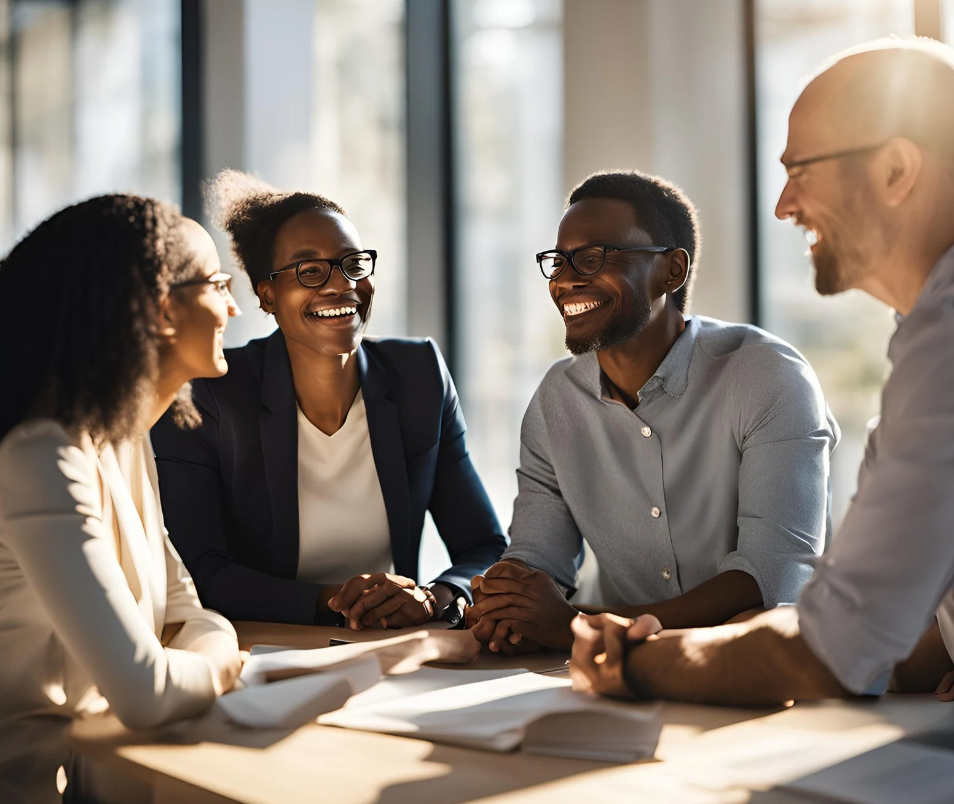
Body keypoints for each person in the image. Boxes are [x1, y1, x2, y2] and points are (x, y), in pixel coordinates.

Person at [569, 37, 954, 706]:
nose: (784, 204)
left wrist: (635, 663)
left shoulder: (944, 342)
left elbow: (831, 651)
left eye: (802, 168)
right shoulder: (924, 333)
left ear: (896, 170)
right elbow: (881, 629)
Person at [467, 170, 839, 654]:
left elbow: (772, 579)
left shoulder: (766, 375)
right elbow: (538, 559)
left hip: (767, 668)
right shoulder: (556, 400)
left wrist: (579, 626)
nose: (565, 278)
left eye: (594, 257)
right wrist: (507, 601)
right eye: (558, 261)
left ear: (672, 271)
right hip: (615, 676)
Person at [153, 171, 507, 630]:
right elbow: (200, 570)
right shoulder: (211, 394)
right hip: (265, 646)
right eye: (310, 270)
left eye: (353, 264)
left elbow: (484, 547)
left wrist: (430, 597)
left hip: (392, 644)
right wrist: (337, 601)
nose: (341, 285)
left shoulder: (418, 375)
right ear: (268, 295)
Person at [0, 196, 244, 803]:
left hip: (109, 775)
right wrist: (220, 667)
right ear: (163, 309)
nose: (235, 305)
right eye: (217, 283)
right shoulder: (40, 456)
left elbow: (190, 614)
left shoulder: (124, 442)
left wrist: (207, 652)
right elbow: (146, 691)